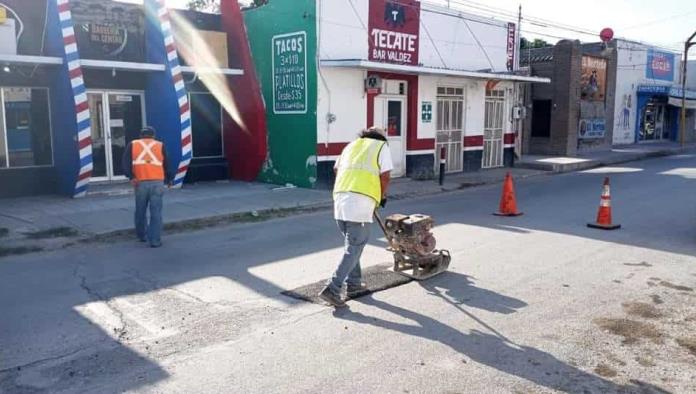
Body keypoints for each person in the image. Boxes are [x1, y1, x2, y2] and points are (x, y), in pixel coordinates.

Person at [318, 126, 393, 307]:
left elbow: (337, 170)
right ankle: (333, 288)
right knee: (354, 247)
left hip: (340, 199)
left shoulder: (350, 146)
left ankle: (354, 284)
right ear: (381, 138)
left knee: (353, 245)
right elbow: (385, 176)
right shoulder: (381, 147)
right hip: (359, 204)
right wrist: (381, 196)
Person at [122, 126, 173, 248]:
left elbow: (125, 162)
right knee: (156, 212)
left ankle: (141, 235)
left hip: (140, 183)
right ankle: (155, 241)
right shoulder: (160, 145)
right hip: (157, 182)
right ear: (153, 136)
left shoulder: (133, 144)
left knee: (140, 210)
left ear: (141, 135)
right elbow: (167, 163)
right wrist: (170, 179)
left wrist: (131, 176)